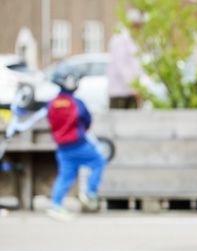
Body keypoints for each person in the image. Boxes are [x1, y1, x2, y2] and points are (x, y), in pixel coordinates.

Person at [45, 67, 107, 221]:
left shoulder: (51, 104)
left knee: (65, 177)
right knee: (98, 161)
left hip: (62, 147)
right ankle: (90, 193)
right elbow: (87, 120)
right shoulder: (76, 102)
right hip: (79, 144)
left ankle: (56, 205)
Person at [107, 8, 145, 109]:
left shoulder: (131, 39)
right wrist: (134, 88)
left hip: (130, 91)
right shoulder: (120, 38)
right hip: (120, 92)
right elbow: (121, 66)